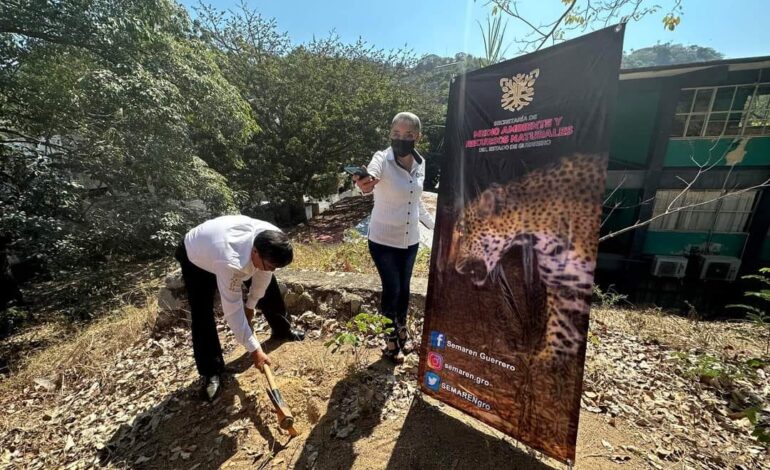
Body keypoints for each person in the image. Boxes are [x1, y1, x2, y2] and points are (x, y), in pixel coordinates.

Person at [174, 215, 305, 401]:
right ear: (255, 252)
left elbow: (263, 279)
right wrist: (255, 350)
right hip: (196, 254)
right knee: (201, 310)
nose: (271, 269)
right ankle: (212, 372)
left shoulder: (274, 239)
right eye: (269, 265)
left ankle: (282, 328)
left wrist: (251, 306)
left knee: (268, 281)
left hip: (221, 242)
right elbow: (233, 310)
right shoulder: (230, 261)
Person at [354, 112, 435, 364]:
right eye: (396, 134)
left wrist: (435, 226)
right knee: (393, 289)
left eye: (408, 134)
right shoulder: (382, 158)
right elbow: (369, 179)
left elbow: (416, 200)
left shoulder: (420, 163)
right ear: (390, 134)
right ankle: (390, 339)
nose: (402, 139)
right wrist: (364, 183)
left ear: (417, 137)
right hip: (383, 241)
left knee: (405, 289)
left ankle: (402, 329)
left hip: (410, 240)